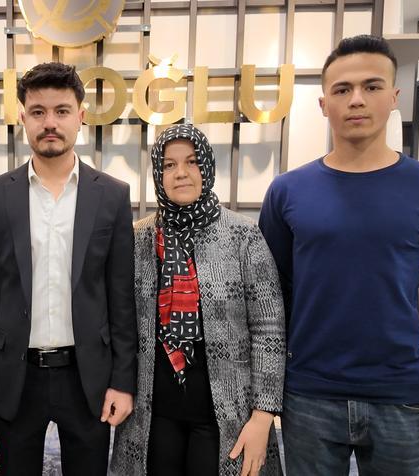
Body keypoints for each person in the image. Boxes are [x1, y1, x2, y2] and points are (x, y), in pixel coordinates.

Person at [258, 35, 419, 475]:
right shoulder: (287, 192)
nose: (356, 100)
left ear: (393, 97)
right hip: (309, 394)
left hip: (400, 396)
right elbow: (268, 300)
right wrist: (264, 393)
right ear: (324, 104)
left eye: (371, 86)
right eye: (342, 89)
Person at [0, 62, 137, 475]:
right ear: (23, 117)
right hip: (15, 378)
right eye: (38, 112)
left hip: (87, 378)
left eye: (61, 111)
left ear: (81, 116)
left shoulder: (112, 196)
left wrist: (123, 381)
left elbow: (122, 299)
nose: (50, 123)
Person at [109, 124, 286, 476]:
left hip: (227, 410)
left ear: (207, 167)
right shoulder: (139, 237)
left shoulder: (242, 235)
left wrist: (263, 415)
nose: (181, 173)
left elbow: (269, 329)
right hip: (153, 411)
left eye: (191, 162)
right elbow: (120, 321)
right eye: (169, 165)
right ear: (158, 174)